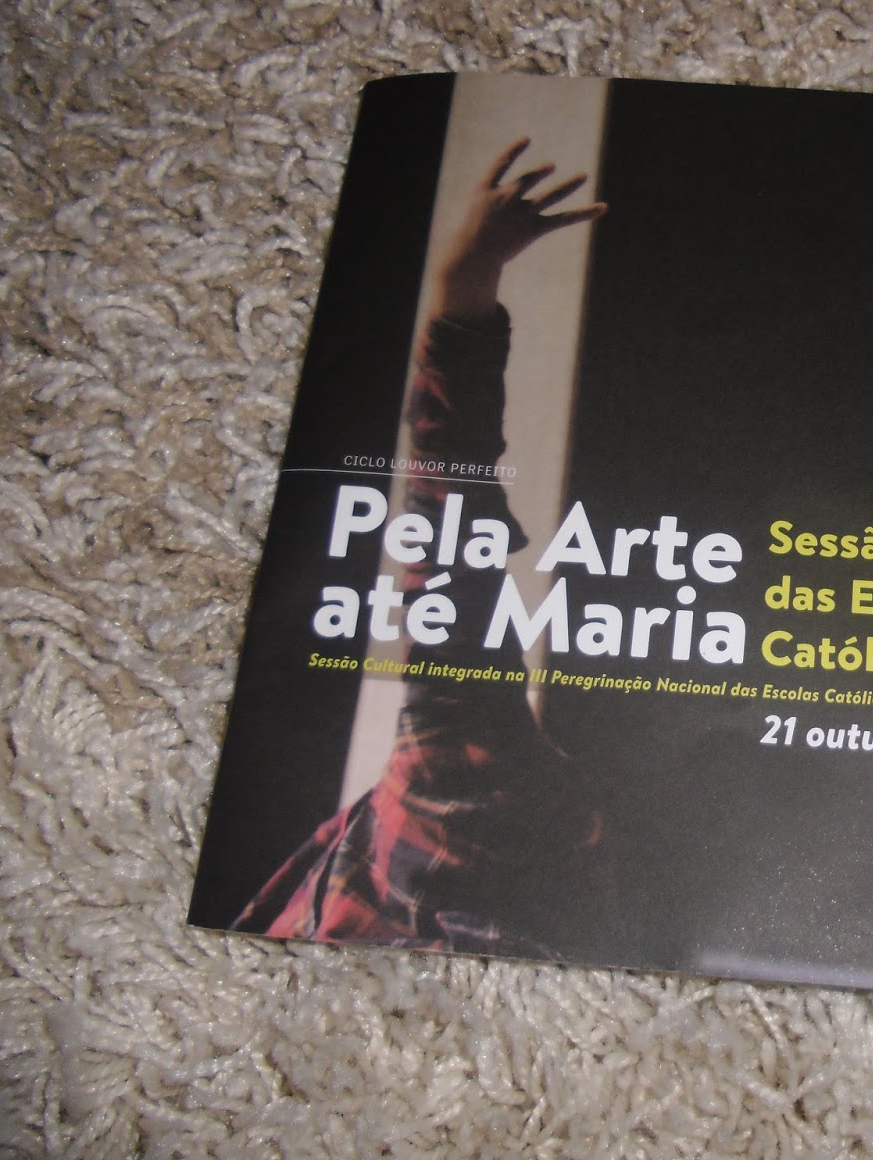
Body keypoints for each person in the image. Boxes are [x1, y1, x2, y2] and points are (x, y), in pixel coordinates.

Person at [235, 140, 609, 957]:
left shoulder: (478, 813)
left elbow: (449, 553)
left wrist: (465, 288)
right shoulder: (498, 829)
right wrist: (466, 288)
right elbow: (450, 561)